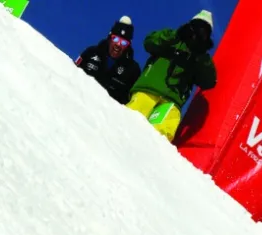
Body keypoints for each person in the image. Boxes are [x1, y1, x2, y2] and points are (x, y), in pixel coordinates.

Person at [126, 11, 217, 141]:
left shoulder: (200, 58)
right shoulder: (172, 39)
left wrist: (202, 54)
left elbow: (209, 81)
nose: (197, 33)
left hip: (172, 101)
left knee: (162, 135)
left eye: (203, 32)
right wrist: (177, 35)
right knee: (130, 118)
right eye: (196, 27)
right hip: (149, 89)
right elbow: (149, 42)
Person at [75, 17, 143, 105]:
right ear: (110, 37)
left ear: (128, 46)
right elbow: (72, 73)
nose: (118, 45)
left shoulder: (133, 70)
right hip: (79, 102)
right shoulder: (91, 53)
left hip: (107, 115)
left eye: (123, 42)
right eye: (116, 39)